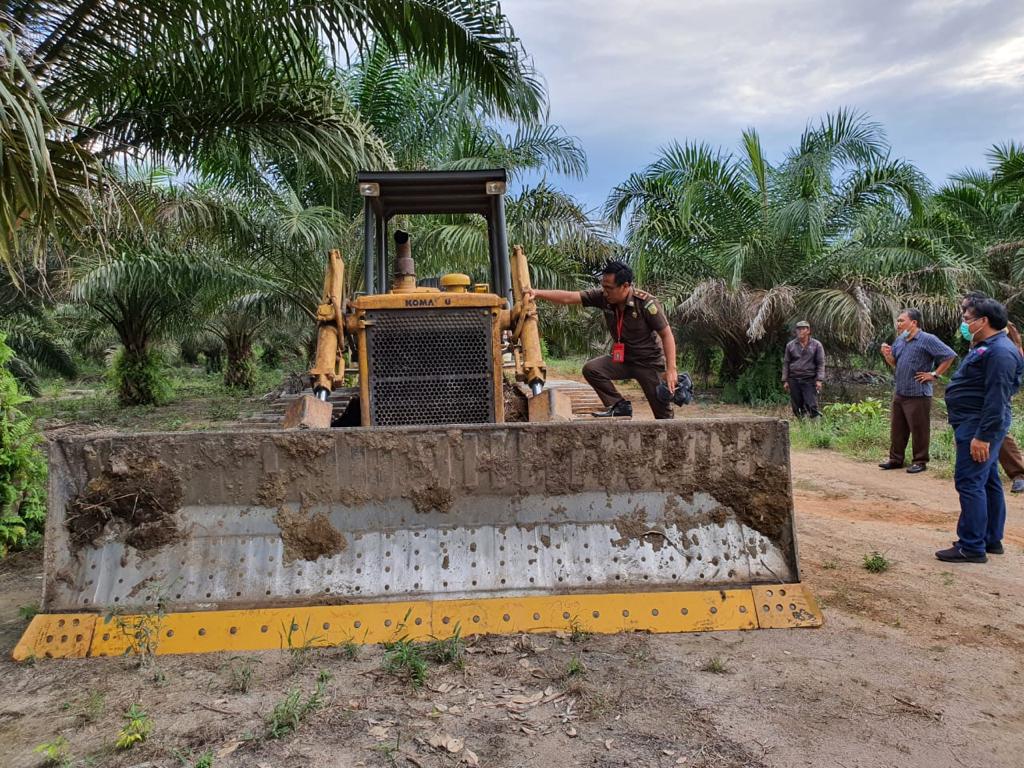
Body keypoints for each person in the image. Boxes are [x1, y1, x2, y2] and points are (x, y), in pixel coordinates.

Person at [524, 261, 677, 419]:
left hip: (648, 364)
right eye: (603, 286)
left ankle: (674, 442)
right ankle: (619, 406)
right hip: (623, 360)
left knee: (663, 415)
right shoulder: (603, 297)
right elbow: (569, 298)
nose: (605, 292)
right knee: (592, 369)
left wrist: (671, 369)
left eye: (609, 288)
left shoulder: (646, 303)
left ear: (625, 286)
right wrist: (537, 293)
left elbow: (666, 334)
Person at [937, 297, 1023, 563]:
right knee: (987, 480)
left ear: (983, 321)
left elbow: (997, 397)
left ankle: (971, 545)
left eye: (967, 319)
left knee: (970, 481)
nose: (964, 323)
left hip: (978, 425)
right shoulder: (988, 346)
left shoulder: (1000, 352)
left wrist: (983, 436)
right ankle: (990, 539)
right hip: (973, 422)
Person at [878, 309, 956, 474]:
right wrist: (887, 355)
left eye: (901, 321)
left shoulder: (927, 339)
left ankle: (920, 461)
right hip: (900, 391)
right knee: (897, 428)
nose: (898, 324)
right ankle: (895, 459)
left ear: (913, 322)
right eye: (898, 321)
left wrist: (934, 374)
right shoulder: (900, 339)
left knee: (919, 429)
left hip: (918, 393)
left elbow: (949, 355)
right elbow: (895, 363)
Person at [961, 292, 1024, 493]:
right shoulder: (978, 334)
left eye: (966, 310)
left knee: (997, 432)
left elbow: (1015, 354)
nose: (963, 316)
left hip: (998, 387)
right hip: (982, 396)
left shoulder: (1003, 333)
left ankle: (1019, 473)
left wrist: (1007, 384)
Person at [781, 321, 825, 418]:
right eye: (798, 329)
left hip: (809, 379)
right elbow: (786, 363)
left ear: (808, 330)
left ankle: (815, 425)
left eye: (803, 329)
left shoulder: (816, 345)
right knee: (796, 406)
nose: (800, 331)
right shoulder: (790, 345)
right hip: (794, 379)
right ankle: (802, 424)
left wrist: (819, 380)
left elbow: (820, 363)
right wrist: (785, 380)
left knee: (811, 404)